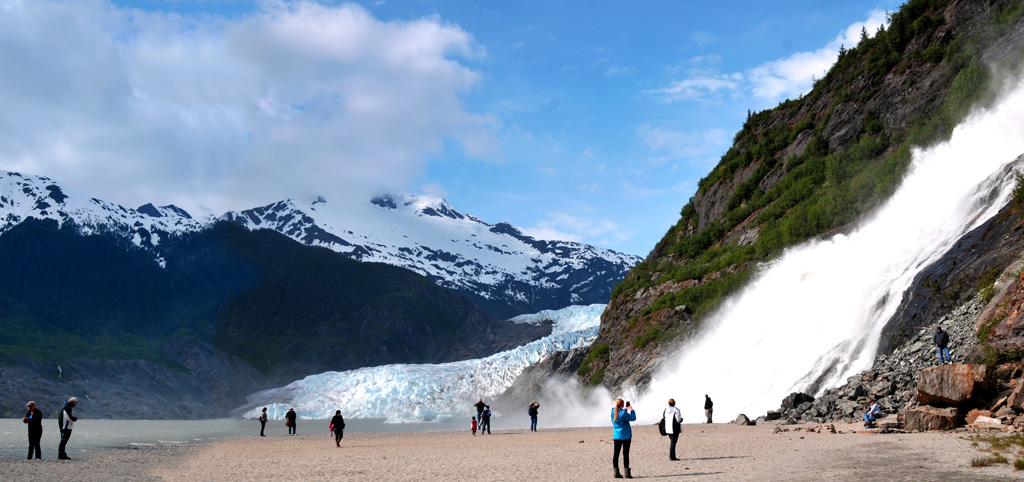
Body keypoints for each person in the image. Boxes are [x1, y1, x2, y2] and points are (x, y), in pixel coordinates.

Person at [611, 398, 636, 479]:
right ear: (622, 404)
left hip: (617, 435)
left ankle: (616, 473)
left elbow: (619, 414)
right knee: (625, 454)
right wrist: (631, 410)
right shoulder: (623, 413)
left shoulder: (612, 411)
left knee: (616, 454)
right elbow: (633, 418)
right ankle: (627, 473)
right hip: (625, 436)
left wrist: (624, 409)